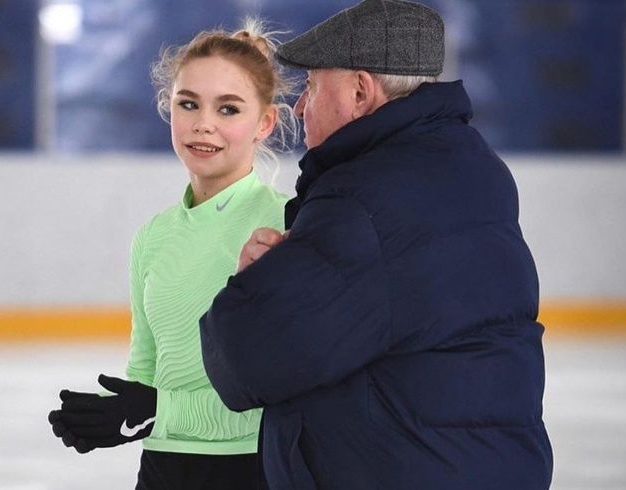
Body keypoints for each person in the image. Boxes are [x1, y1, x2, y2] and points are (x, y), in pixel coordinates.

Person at [200, 1, 554, 489]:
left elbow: (246, 357)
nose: (300, 106)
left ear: (361, 91)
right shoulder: (474, 168)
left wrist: (251, 281)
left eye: (312, 87)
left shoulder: (363, 199)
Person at [47, 20, 297, 490]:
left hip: (255, 471)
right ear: (169, 109)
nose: (204, 123)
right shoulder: (154, 236)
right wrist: (114, 416)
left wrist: (156, 410)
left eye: (228, 109)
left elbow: (281, 399)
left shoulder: (286, 225)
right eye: (189, 104)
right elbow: (144, 372)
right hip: (162, 470)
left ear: (265, 123)